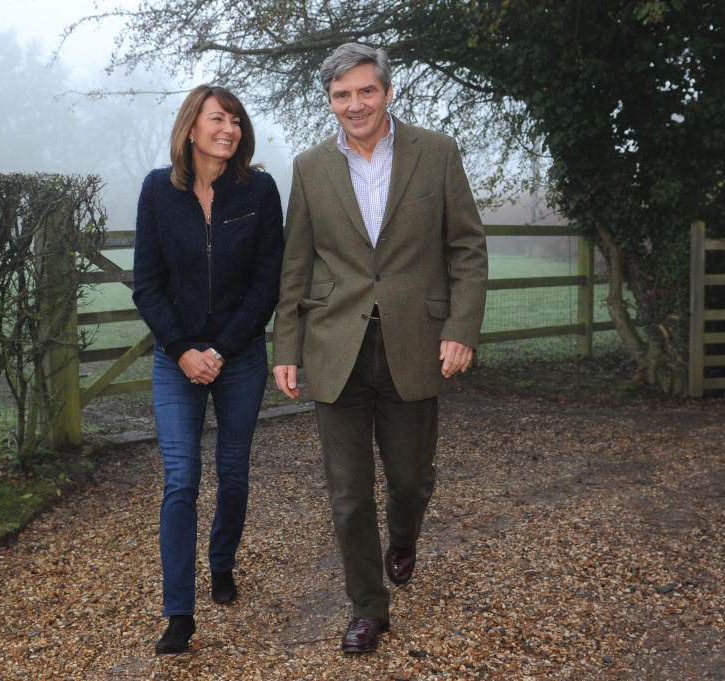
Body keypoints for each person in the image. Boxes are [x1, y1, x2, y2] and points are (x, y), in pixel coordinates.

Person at [272, 44, 488, 654]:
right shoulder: (310, 166)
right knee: (346, 493)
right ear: (330, 100)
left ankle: (404, 536)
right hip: (334, 347)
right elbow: (297, 265)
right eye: (342, 95)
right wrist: (285, 346)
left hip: (416, 343)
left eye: (366, 91)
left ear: (388, 93)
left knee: (411, 480)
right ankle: (369, 606)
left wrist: (461, 328)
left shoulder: (436, 152)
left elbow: (467, 249)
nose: (355, 104)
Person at [133, 84, 284, 654]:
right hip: (177, 358)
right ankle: (179, 614)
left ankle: (222, 563)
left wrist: (220, 349)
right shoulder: (157, 190)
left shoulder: (259, 190)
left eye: (236, 121)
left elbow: (267, 281)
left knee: (234, 469)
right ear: (190, 128)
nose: (229, 129)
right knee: (181, 478)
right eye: (217, 119)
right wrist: (181, 350)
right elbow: (146, 282)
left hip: (239, 354)